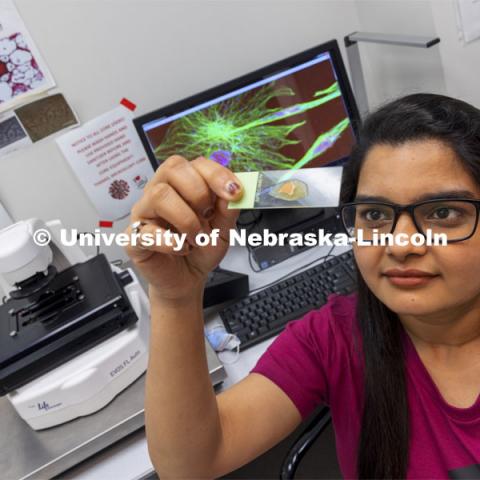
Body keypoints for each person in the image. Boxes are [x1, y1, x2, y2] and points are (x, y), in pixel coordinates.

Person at [124, 93, 480, 479]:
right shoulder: (334, 338)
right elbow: (189, 465)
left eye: (443, 213)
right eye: (375, 214)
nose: (399, 244)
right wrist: (176, 297)